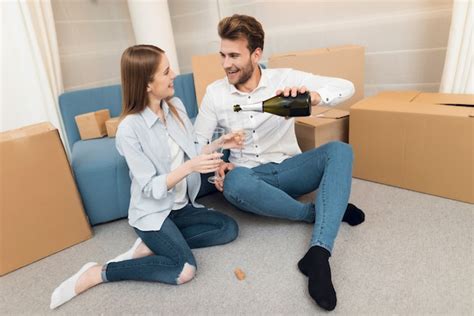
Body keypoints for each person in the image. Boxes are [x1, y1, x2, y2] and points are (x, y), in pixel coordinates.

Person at [194, 14, 365, 311]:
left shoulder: (284, 79)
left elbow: (346, 86)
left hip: (290, 169)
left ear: (256, 54)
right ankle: (318, 212)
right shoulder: (214, 94)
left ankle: (318, 253)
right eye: (222, 55)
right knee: (236, 181)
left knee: (340, 151)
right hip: (247, 178)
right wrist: (218, 159)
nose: (225, 64)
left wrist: (313, 97)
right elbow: (197, 146)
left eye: (234, 55)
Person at [50, 45, 240, 309]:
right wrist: (189, 168)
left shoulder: (176, 106)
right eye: (166, 71)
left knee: (228, 229)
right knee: (183, 269)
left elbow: (192, 153)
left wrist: (221, 142)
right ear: (147, 83)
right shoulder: (129, 129)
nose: (174, 74)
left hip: (181, 206)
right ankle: (100, 272)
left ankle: (154, 246)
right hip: (153, 212)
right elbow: (151, 187)